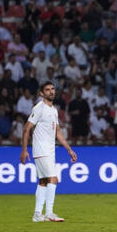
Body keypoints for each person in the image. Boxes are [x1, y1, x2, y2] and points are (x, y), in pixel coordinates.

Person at [20, 81, 77, 223]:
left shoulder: (54, 110)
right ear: (41, 93)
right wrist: (24, 150)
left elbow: (57, 132)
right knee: (54, 179)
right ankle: (50, 213)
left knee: (43, 182)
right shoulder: (39, 108)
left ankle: (37, 214)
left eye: (52, 89)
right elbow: (27, 128)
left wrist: (69, 149)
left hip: (50, 150)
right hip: (41, 149)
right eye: (47, 90)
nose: (51, 92)